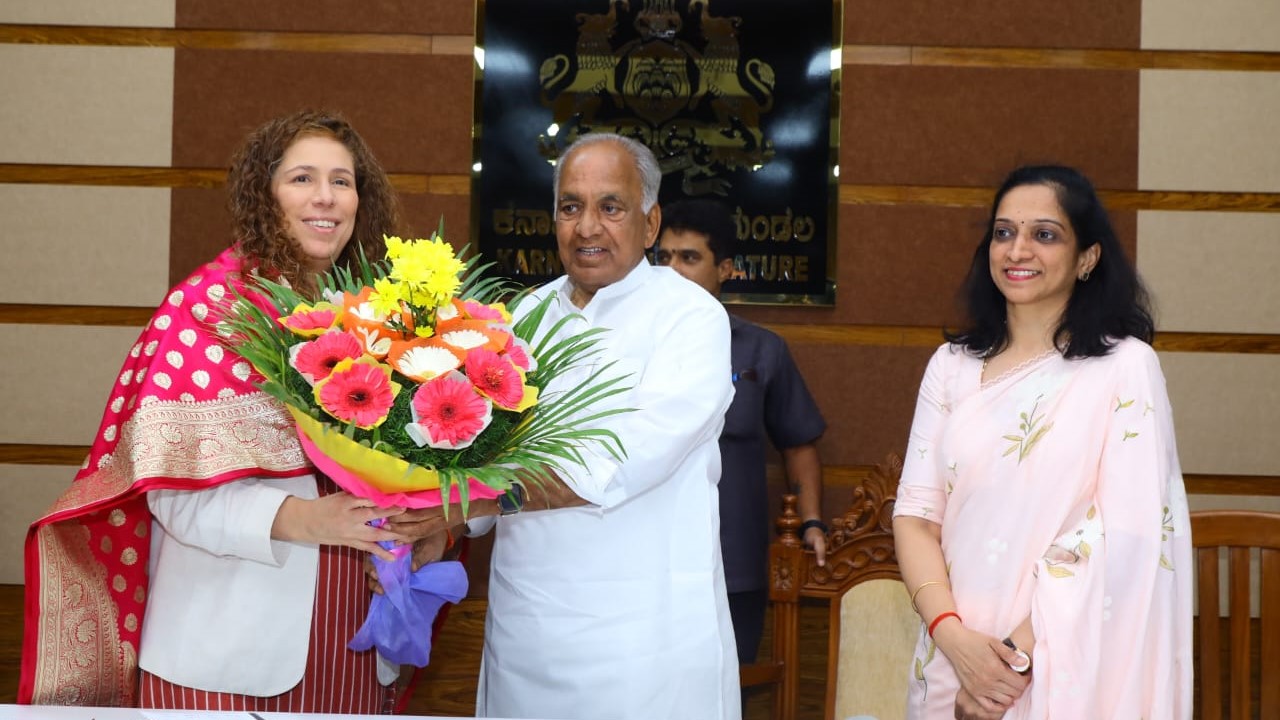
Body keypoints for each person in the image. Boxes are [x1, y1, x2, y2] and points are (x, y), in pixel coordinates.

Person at [20, 109, 422, 712]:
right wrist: (312, 521)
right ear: (265, 193)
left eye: (343, 181)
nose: (326, 198)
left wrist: (429, 527)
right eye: (302, 178)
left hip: (362, 650)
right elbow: (171, 493)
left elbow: (426, 465)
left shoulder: (385, 316)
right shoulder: (206, 310)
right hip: (224, 661)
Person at [388, 132, 741, 720]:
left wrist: (459, 506)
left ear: (650, 224)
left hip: (646, 642)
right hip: (527, 634)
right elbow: (482, 458)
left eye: (611, 207)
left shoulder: (692, 320)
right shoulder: (521, 317)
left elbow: (614, 464)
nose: (587, 227)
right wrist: (440, 523)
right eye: (571, 207)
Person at [892, 165, 1193, 719]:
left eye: (1045, 234)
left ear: (1087, 258)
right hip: (952, 652)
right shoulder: (952, 366)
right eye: (1004, 232)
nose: (1017, 249)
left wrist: (1007, 664)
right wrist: (955, 640)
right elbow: (914, 516)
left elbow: (1128, 532)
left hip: (1060, 660)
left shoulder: (1125, 367)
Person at [654, 198, 828, 666]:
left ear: (725, 269)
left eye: (689, 258)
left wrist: (811, 521)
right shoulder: (629, 345)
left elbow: (799, 444)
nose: (672, 270)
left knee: (730, 690)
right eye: (663, 257)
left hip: (734, 564)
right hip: (646, 562)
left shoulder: (762, 349)